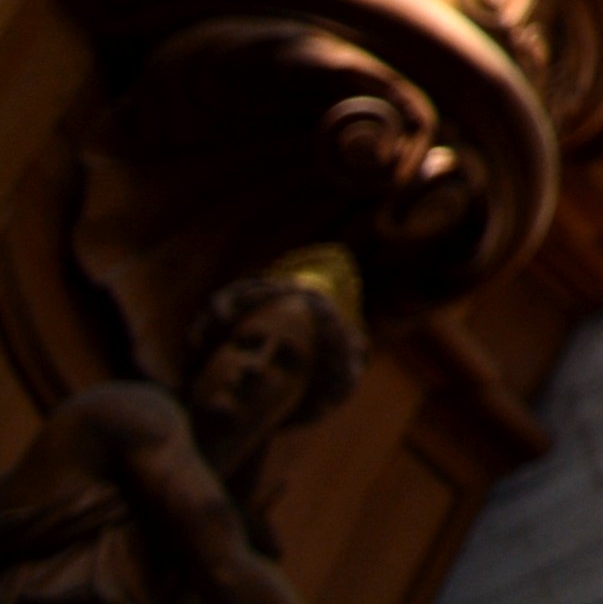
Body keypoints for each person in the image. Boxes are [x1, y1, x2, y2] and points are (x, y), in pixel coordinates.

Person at [0, 247, 364, 604]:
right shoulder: (133, 415)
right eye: (246, 344)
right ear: (211, 350)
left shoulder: (250, 540)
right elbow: (222, 559)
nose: (256, 366)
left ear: (304, 400)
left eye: (285, 362)